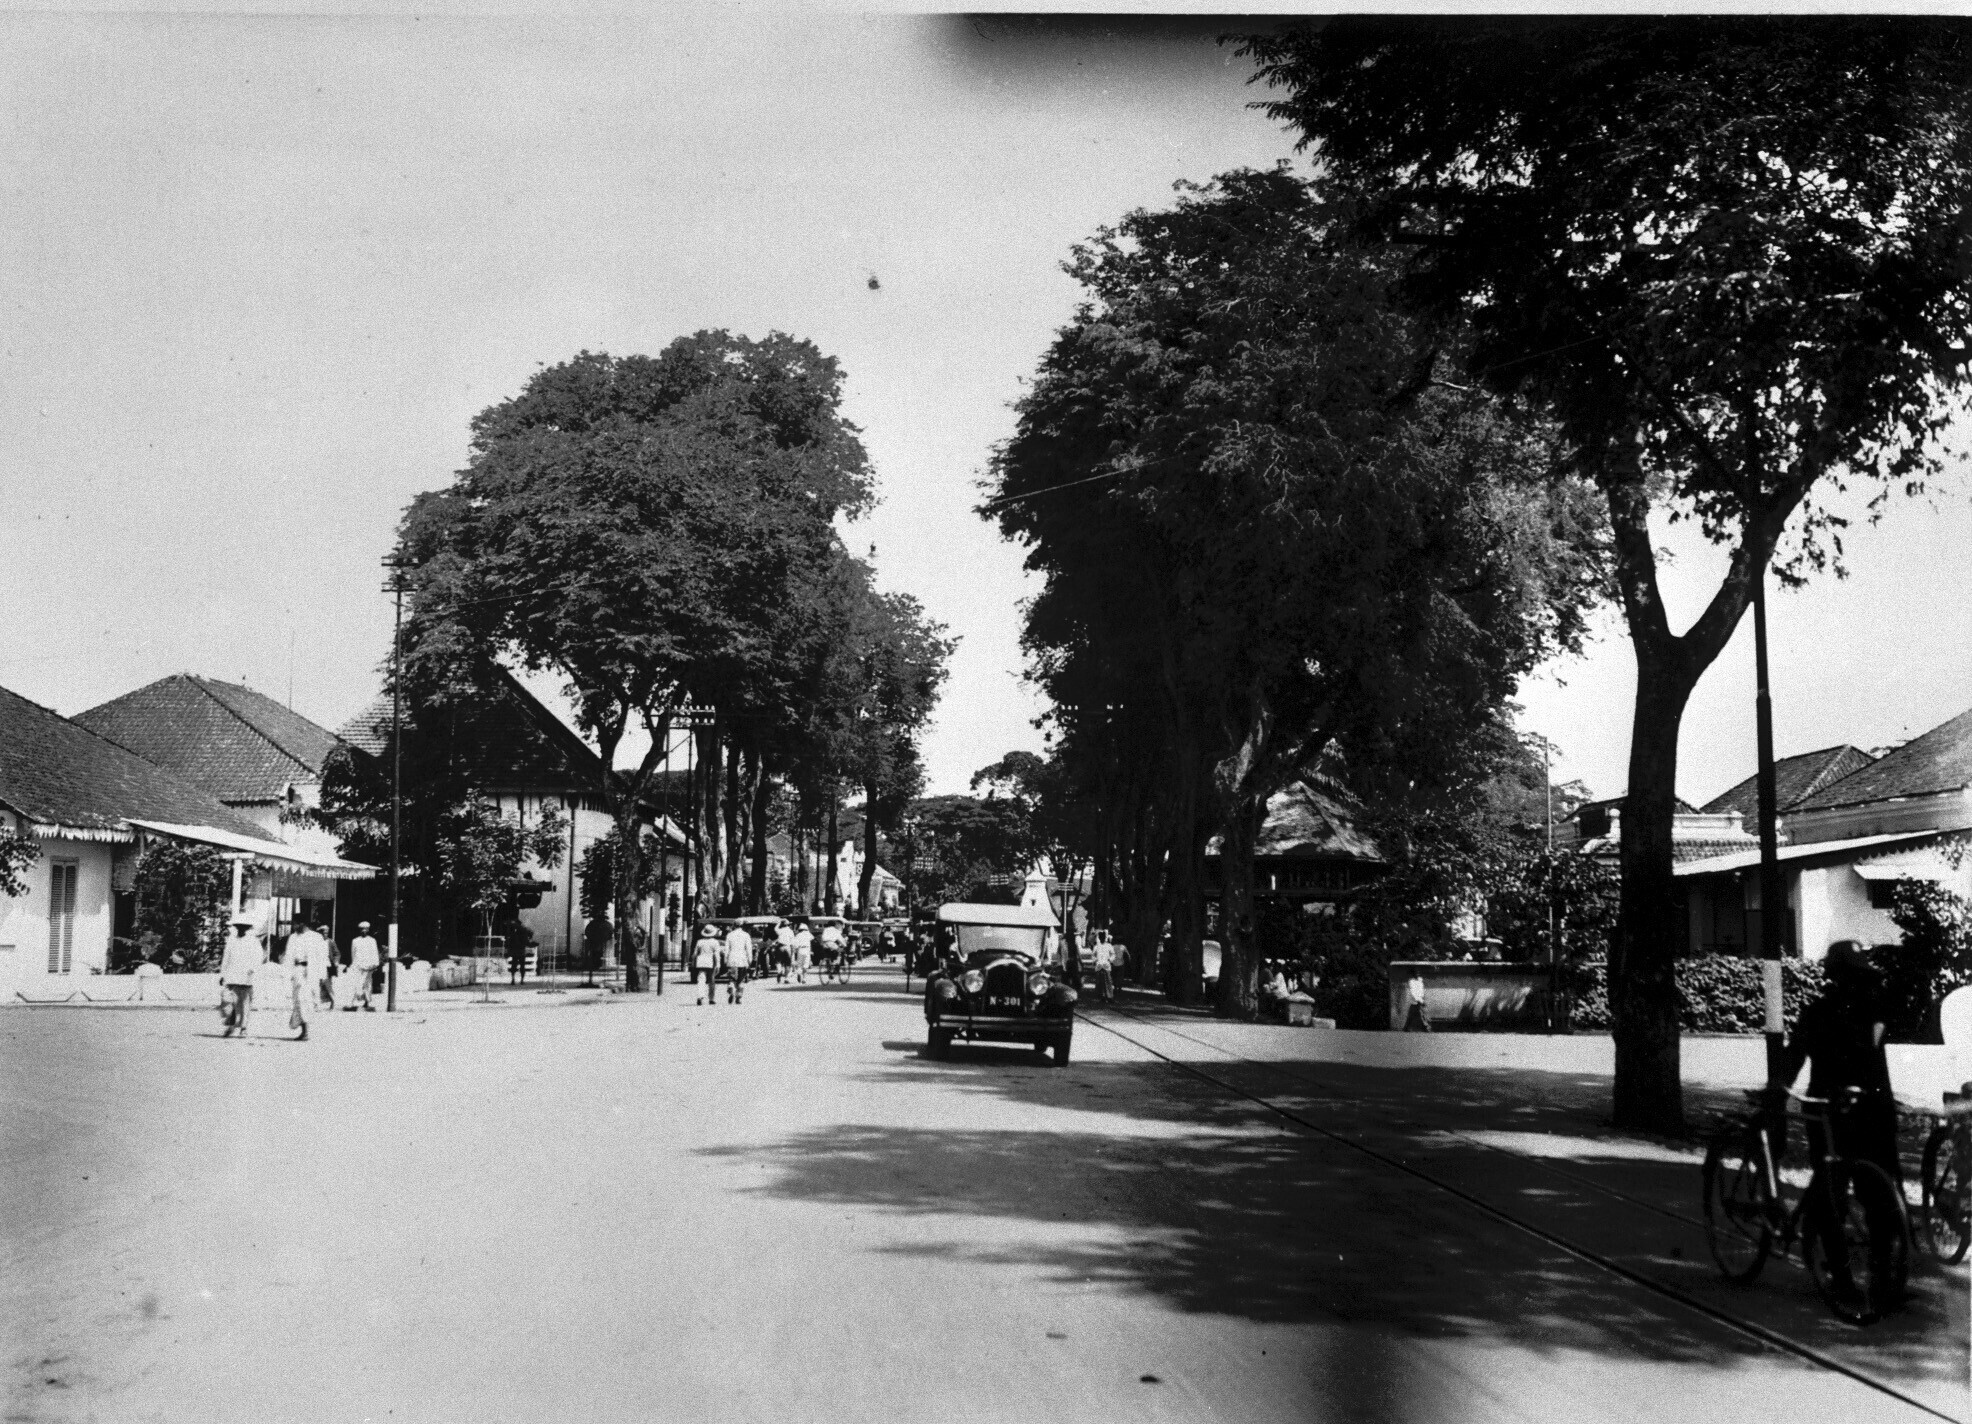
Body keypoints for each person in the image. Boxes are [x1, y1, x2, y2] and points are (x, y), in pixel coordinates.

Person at [1769, 940, 1902, 1185]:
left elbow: (1795, 1056)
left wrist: (1779, 1085)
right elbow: (1795, 1055)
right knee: (1836, 1187)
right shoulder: (1825, 1012)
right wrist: (1779, 1085)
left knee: (1867, 1189)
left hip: (1864, 1112)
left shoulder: (1868, 1011)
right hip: (1837, 1111)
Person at [218, 914, 263, 1037]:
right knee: (228, 1001)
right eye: (238, 926)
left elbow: (258, 957)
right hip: (232, 975)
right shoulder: (231, 940)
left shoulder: (253, 941)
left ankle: (243, 1028)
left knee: (245, 1004)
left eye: (243, 926)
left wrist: (252, 969)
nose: (240, 928)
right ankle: (231, 1024)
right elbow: (226, 958)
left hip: (246, 977)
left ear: (248, 928)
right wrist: (222, 974)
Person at [287, 920, 332, 1010]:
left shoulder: (316, 937)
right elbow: (289, 955)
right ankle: (298, 1009)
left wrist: (322, 973)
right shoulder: (293, 937)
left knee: (313, 989)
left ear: (302, 923)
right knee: (298, 989)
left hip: (312, 966)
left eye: (295, 924)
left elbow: (322, 956)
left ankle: (315, 1007)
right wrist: (288, 971)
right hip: (298, 967)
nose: (293, 927)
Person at [347, 920, 381, 1011]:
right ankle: (354, 1003)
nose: (363, 931)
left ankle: (368, 1002)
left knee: (368, 985)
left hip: (368, 966)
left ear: (368, 930)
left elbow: (374, 953)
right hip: (358, 966)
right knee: (357, 985)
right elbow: (353, 954)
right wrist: (354, 965)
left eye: (365, 929)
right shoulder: (355, 941)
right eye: (362, 929)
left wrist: (375, 964)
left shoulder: (372, 941)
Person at [722, 920, 754, 1005]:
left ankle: (731, 986)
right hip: (742, 959)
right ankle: (738, 997)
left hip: (732, 959)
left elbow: (727, 949)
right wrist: (750, 960)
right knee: (741, 980)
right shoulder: (746, 935)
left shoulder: (729, 935)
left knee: (732, 978)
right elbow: (748, 949)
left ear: (734, 926)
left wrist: (725, 959)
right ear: (742, 926)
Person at [694, 925, 722, 1003]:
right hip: (710, 962)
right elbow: (716, 954)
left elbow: (695, 953)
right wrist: (718, 964)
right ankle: (711, 998)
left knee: (701, 979)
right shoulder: (715, 942)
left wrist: (694, 962)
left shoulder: (699, 941)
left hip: (701, 962)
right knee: (711, 980)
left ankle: (700, 996)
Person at [1090, 931, 1116, 1005]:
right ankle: (1102, 997)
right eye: (1101, 937)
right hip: (1099, 966)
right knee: (1099, 982)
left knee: (1108, 982)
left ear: (1105, 938)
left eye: (1103, 937)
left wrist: (1110, 960)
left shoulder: (1109, 946)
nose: (1102, 938)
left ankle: (1110, 997)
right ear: (1099, 938)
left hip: (1106, 965)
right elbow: (1093, 955)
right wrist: (1095, 960)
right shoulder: (1096, 946)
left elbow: (1113, 954)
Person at [792, 919, 814, 984]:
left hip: (800, 950)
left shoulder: (798, 935)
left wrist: (795, 950)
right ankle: (804, 978)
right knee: (806, 964)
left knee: (799, 964)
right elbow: (812, 939)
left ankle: (799, 973)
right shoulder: (808, 934)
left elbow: (795, 945)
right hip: (807, 950)